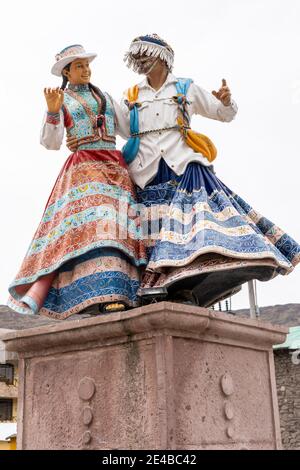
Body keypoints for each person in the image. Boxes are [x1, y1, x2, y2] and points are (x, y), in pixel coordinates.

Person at [118, 33, 300, 306]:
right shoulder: (132, 95)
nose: (141, 61)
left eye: (146, 55)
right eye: (138, 57)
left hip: (183, 167)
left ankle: (185, 284)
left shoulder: (186, 88)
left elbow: (223, 114)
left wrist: (226, 102)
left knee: (191, 230)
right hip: (146, 170)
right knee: (152, 232)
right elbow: (121, 127)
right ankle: (156, 286)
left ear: (163, 58)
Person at [8, 44, 147, 319]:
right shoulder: (63, 101)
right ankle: (100, 293)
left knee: (121, 228)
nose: (86, 70)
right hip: (84, 170)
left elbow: (129, 129)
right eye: (80, 66)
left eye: (87, 65)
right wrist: (51, 112)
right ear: (67, 72)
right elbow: (51, 142)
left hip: (114, 169)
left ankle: (126, 291)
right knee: (97, 227)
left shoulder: (105, 97)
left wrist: (138, 107)